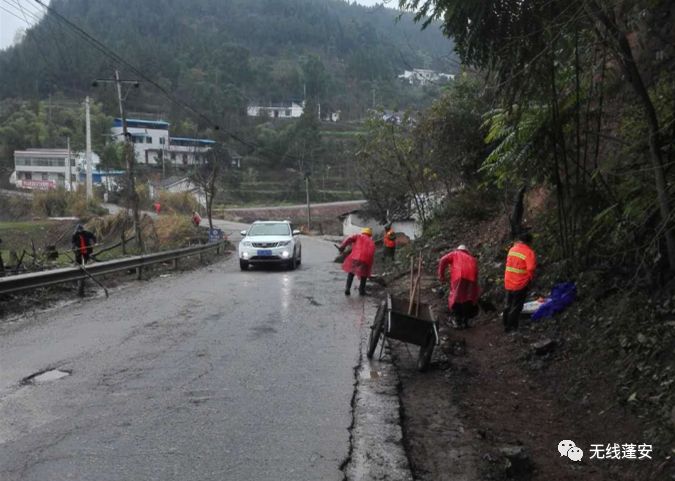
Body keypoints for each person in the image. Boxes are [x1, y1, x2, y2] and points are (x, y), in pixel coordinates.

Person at [438, 245, 480, 329]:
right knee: (467, 299)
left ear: (458, 249)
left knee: (456, 298)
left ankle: (457, 321)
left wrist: (441, 276)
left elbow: (443, 260)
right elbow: (476, 273)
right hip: (471, 279)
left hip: (459, 277)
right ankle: (465, 321)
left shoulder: (455, 253)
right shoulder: (472, 258)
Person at [503, 230, 537, 332]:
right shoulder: (529, 252)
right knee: (516, 306)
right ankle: (511, 327)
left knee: (508, 304)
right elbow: (531, 268)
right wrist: (530, 279)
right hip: (520, 283)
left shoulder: (512, 249)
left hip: (508, 281)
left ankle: (505, 323)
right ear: (529, 242)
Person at [339, 227, 376, 296]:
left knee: (351, 272)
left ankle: (347, 288)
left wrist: (342, 246)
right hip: (366, 260)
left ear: (363, 232)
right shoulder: (372, 242)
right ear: (370, 234)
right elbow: (372, 253)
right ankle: (361, 291)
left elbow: (349, 238)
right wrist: (369, 264)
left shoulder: (358, 236)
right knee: (364, 275)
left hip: (355, 257)